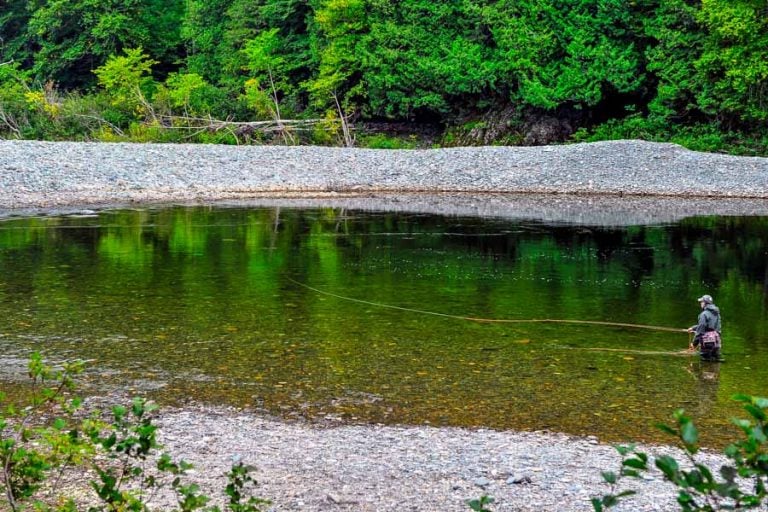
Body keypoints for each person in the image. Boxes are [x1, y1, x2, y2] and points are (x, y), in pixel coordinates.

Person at [686, 294, 722, 362]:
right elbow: (712, 327)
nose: (700, 303)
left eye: (702, 302)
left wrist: (694, 344)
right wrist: (693, 328)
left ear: (705, 303)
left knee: (705, 363)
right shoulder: (717, 313)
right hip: (717, 342)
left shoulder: (704, 314)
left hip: (707, 343)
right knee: (716, 363)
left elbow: (700, 331)